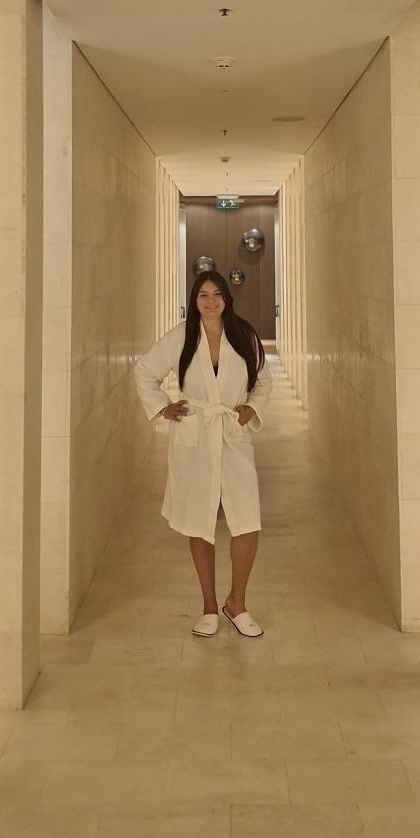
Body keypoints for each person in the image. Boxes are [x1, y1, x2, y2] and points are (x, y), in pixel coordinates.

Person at [134, 270, 272, 639]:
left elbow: (263, 381)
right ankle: (209, 606)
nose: (211, 302)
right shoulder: (182, 336)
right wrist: (162, 407)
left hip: (232, 432)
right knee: (199, 520)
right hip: (194, 434)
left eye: (217, 294)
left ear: (227, 298)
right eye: (203, 296)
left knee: (248, 520)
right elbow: (144, 371)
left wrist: (252, 408)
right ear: (194, 301)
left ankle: (237, 602)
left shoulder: (244, 334)